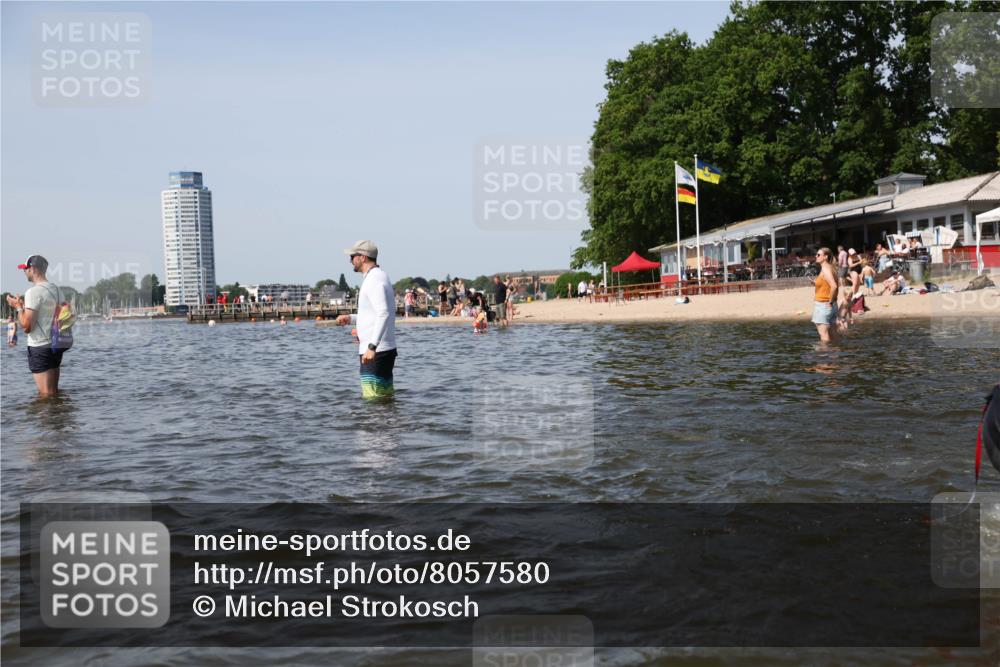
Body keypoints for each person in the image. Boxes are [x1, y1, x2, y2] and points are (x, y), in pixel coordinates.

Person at [335, 241, 397, 399]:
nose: (350, 260)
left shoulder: (374, 279)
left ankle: (376, 424)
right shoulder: (378, 276)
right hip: (382, 350)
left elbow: (383, 313)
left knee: (373, 400)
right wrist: (350, 318)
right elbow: (376, 313)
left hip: (376, 351)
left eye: (352, 256)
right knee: (384, 399)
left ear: (362, 257)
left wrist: (372, 347)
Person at [6, 255, 66, 397]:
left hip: (40, 347)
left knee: (45, 395)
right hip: (56, 345)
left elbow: (27, 326)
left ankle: (48, 419)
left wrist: (19, 307)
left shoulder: (33, 292)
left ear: (33, 269)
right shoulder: (57, 289)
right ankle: (59, 416)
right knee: (53, 392)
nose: (24, 271)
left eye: (25, 268)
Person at [811, 247, 839, 343]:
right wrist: (816, 283)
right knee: (833, 335)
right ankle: (835, 355)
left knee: (824, 336)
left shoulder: (825, 269)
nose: (816, 256)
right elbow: (828, 284)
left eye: (818, 255)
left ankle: (824, 356)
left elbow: (834, 286)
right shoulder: (831, 268)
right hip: (832, 305)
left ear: (825, 257)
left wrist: (830, 302)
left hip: (824, 304)